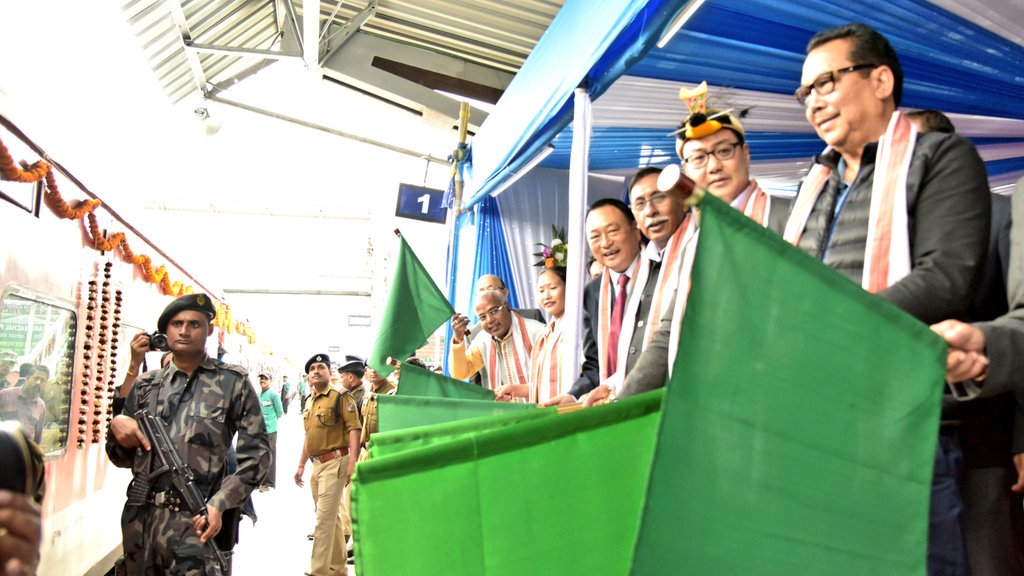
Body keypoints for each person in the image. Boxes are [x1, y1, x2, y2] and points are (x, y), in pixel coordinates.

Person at [787, 24, 990, 576]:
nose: (813, 103)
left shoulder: (941, 157)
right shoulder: (817, 186)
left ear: (880, 81)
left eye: (826, 82)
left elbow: (945, 277)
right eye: (805, 93)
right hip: (817, 423)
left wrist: (827, 332)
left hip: (903, 427)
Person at [106, 293, 270, 575]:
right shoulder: (145, 385)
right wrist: (118, 427)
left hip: (197, 522)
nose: (184, 331)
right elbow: (120, 458)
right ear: (165, 332)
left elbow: (257, 456)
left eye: (194, 324)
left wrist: (220, 503)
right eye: (176, 324)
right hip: (141, 523)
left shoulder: (233, 383)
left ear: (209, 330)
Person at [557, 198, 644, 404]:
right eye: (595, 236)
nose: (605, 243)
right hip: (611, 406)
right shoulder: (592, 293)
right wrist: (572, 395)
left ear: (636, 230)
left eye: (613, 231)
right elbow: (595, 364)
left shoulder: (661, 274)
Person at [294, 353, 361, 576]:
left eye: (320, 367)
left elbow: (354, 428)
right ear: (308, 375)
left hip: (336, 462)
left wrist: (353, 461)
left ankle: (318, 571)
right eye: (312, 369)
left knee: (323, 520)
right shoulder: (310, 400)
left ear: (329, 371)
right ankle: (338, 568)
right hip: (317, 465)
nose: (316, 371)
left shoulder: (340, 396)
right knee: (331, 518)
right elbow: (309, 436)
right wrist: (301, 465)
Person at [449, 289, 546, 394]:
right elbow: (460, 373)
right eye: (482, 317)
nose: (490, 320)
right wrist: (458, 339)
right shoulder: (483, 340)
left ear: (507, 307)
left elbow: (554, 379)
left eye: (493, 311)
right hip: (502, 404)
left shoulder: (538, 333)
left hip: (538, 403)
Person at [527, 266, 568, 404]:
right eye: (541, 291)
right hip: (547, 410)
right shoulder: (544, 333)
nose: (546, 296)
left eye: (553, 288)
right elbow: (544, 383)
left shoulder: (577, 326)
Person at [0, 366, 47, 443]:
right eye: (35, 378)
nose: (38, 382)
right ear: (27, 378)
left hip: (25, 448)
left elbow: (38, 437)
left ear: (45, 384)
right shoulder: (5, 394)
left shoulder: (41, 406)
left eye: (42, 380)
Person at [257, 372, 283, 492]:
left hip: (270, 431)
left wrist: (270, 421)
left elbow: (280, 412)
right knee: (260, 456)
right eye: (261, 378)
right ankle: (260, 481)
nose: (263, 380)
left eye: (266, 379)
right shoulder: (259, 395)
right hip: (259, 430)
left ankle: (269, 483)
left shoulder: (273, 395)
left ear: (270, 381)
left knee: (270, 456)